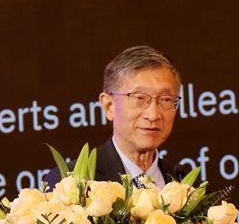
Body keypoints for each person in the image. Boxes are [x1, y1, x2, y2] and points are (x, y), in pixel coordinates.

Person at [44, 45, 186, 189]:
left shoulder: (188, 186)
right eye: (139, 98)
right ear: (109, 106)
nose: (153, 115)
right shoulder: (70, 184)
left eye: (166, 99)